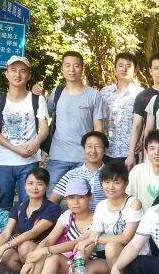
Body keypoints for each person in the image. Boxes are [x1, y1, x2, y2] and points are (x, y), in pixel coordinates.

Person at [2, 178, 95, 274]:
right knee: (42, 255)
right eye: (71, 197)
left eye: (81, 197)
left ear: (90, 197)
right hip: (66, 267)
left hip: (84, 266)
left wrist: (44, 251)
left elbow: (76, 243)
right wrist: (32, 258)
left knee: (52, 256)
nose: (76, 202)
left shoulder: (97, 218)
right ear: (66, 199)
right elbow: (49, 239)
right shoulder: (67, 215)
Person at [0, 56, 49, 210]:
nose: (17, 75)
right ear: (6, 74)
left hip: (29, 162)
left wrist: (36, 142)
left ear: (29, 75)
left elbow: (44, 128)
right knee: (1, 207)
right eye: (13, 70)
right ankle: (3, 227)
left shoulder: (37, 100)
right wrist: (16, 149)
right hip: (4, 162)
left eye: (22, 71)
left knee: (30, 206)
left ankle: (27, 227)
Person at [0, 168, 61, 274]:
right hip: (20, 247)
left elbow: (33, 233)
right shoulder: (19, 206)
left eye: (40, 184)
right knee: (6, 254)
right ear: (24, 185)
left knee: (24, 247)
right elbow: (6, 233)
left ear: (47, 186)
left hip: (42, 248)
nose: (34, 187)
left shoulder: (53, 208)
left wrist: (4, 247)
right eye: (30, 183)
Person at [43, 51, 107, 193]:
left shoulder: (93, 95)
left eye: (76, 66)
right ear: (62, 68)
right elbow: (42, 116)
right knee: (50, 197)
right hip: (58, 156)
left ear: (82, 68)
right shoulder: (57, 93)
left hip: (84, 157)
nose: (71, 70)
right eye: (67, 65)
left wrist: (95, 154)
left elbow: (98, 129)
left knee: (84, 197)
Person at [76, 160, 143, 274]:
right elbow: (93, 235)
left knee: (111, 247)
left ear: (126, 183)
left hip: (133, 256)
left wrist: (95, 240)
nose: (111, 187)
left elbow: (125, 239)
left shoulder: (134, 203)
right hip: (108, 257)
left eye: (117, 182)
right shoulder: (101, 206)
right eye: (107, 182)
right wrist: (80, 260)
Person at [125, 51, 159, 170]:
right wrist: (131, 154)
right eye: (156, 68)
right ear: (150, 71)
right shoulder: (143, 96)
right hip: (152, 152)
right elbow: (137, 125)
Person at [100, 51, 144, 163]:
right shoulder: (104, 93)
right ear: (115, 69)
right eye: (120, 65)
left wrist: (143, 139)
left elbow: (147, 121)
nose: (124, 69)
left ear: (135, 70)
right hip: (107, 150)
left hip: (131, 152)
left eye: (128, 66)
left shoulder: (141, 94)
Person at [49, 131, 108, 209]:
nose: (93, 150)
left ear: (105, 150)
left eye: (98, 146)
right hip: (79, 216)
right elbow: (53, 200)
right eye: (89, 146)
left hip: (104, 216)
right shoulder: (72, 174)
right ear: (84, 149)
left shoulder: (111, 174)